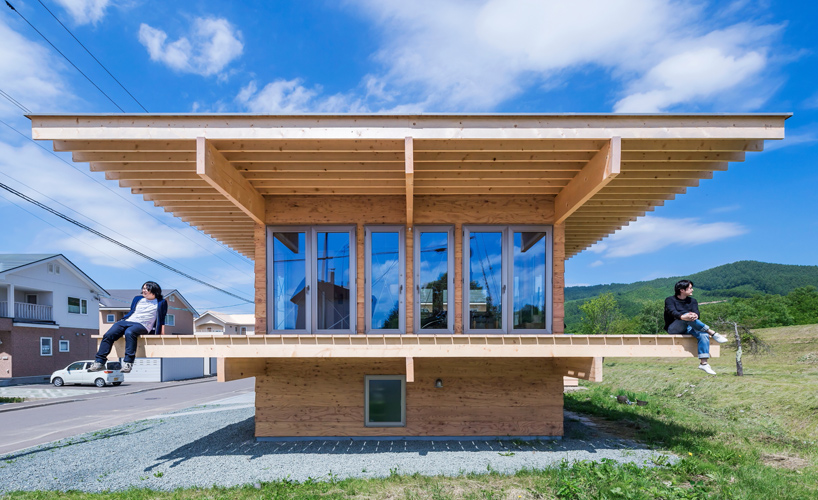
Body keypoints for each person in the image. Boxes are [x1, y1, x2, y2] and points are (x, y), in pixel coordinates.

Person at [89, 281, 168, 374]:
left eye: (146, 288)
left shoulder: (161, 302)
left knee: (129, 332)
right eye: (143, 288)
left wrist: (161, 333)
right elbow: (132, 311)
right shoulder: (138, 299)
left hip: (144, 325)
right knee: (109, 334)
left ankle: (128, 363)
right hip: (128, 321)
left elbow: (161, 319)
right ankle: (99, 362)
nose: (144, 290)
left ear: (154, 290)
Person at [664, 279, 728, 375]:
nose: (692, 290)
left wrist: (695, 315)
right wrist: (683, 316)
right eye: (690, 288)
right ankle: (712, 332)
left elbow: (697, 313)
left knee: (703, 335)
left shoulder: (693, 301)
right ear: (682, 290)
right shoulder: (670, 300)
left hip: (690, 327)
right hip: (674, 327)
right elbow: (672, 312)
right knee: (687, 317)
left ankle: (704, 364)